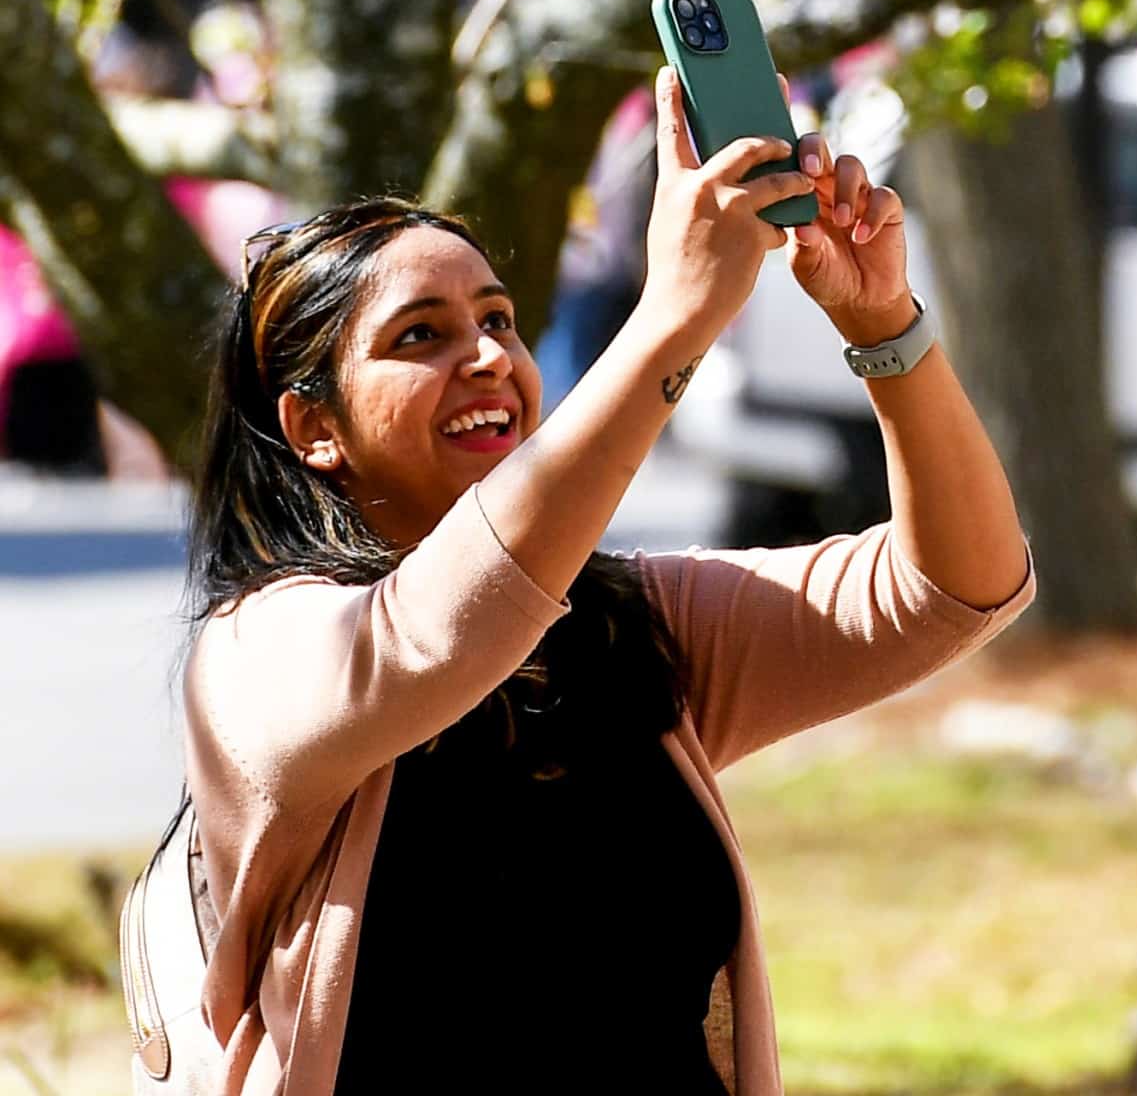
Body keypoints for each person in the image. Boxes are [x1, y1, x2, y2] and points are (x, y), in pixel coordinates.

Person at [167, 67, 1031, 1092]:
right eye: (420, 336)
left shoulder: (629, 623)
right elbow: (437, 637)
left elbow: (953, 590)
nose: (487, 355)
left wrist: (886, 327)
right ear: (314, 428)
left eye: (498, 319)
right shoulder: (257, 654)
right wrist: (673, 318)